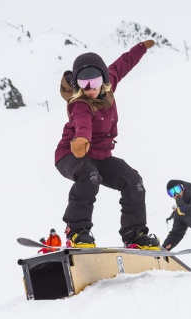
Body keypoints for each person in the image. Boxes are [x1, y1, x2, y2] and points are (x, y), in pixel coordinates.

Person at [55, 39, 159, 249]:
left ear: (103, 79)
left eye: (94, 82)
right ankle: (77, 231)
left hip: (101, 156)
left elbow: (123, 63)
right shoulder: (80, 103)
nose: (90, 88)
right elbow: (82, 122)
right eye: (83, 84)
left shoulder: (109, 83)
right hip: (72, 153)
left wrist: (140, 48)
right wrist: (82, 138)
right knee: (89, 177)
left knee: (133, 181)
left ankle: (135, 233)